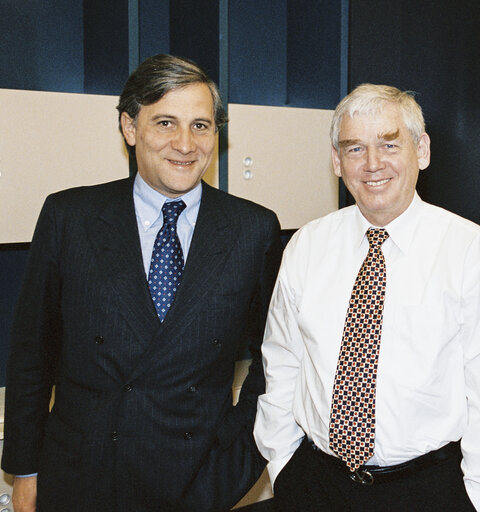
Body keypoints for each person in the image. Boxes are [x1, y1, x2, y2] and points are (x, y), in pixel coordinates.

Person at [2, 54, 282, 512]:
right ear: (130, 128)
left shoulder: (252, 229)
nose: (185, 144)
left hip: (197, 479)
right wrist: (26, 472)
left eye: (201, 126)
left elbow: (276, 359)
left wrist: (238, 458)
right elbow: (31, 355)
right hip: (80, 477)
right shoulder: (70, 218)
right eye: (165, 123)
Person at [254, 84, 480, 511]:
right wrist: (283, 464)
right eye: (355, 149)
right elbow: (282, 362)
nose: (373, 164)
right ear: (337, 162)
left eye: (389, 144)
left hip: (428, 488)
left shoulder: (471, 252)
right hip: (316, 484)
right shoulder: (306, 246)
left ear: (422, 150)